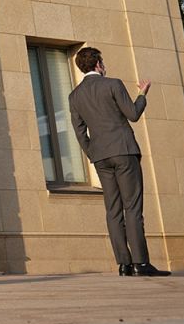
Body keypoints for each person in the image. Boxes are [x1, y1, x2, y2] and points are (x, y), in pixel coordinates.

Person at [67, 46, 170, 277]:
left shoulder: (74, 95)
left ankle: (124, 265)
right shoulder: (112, 84)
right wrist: (143, 94)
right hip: (123, 151)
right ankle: (141, 264)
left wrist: (92, 154)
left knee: (113, 210)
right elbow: (133, 114)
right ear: (98, 65)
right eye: (102, 62)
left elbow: (79, 131)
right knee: (132, 207)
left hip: (100, 156)